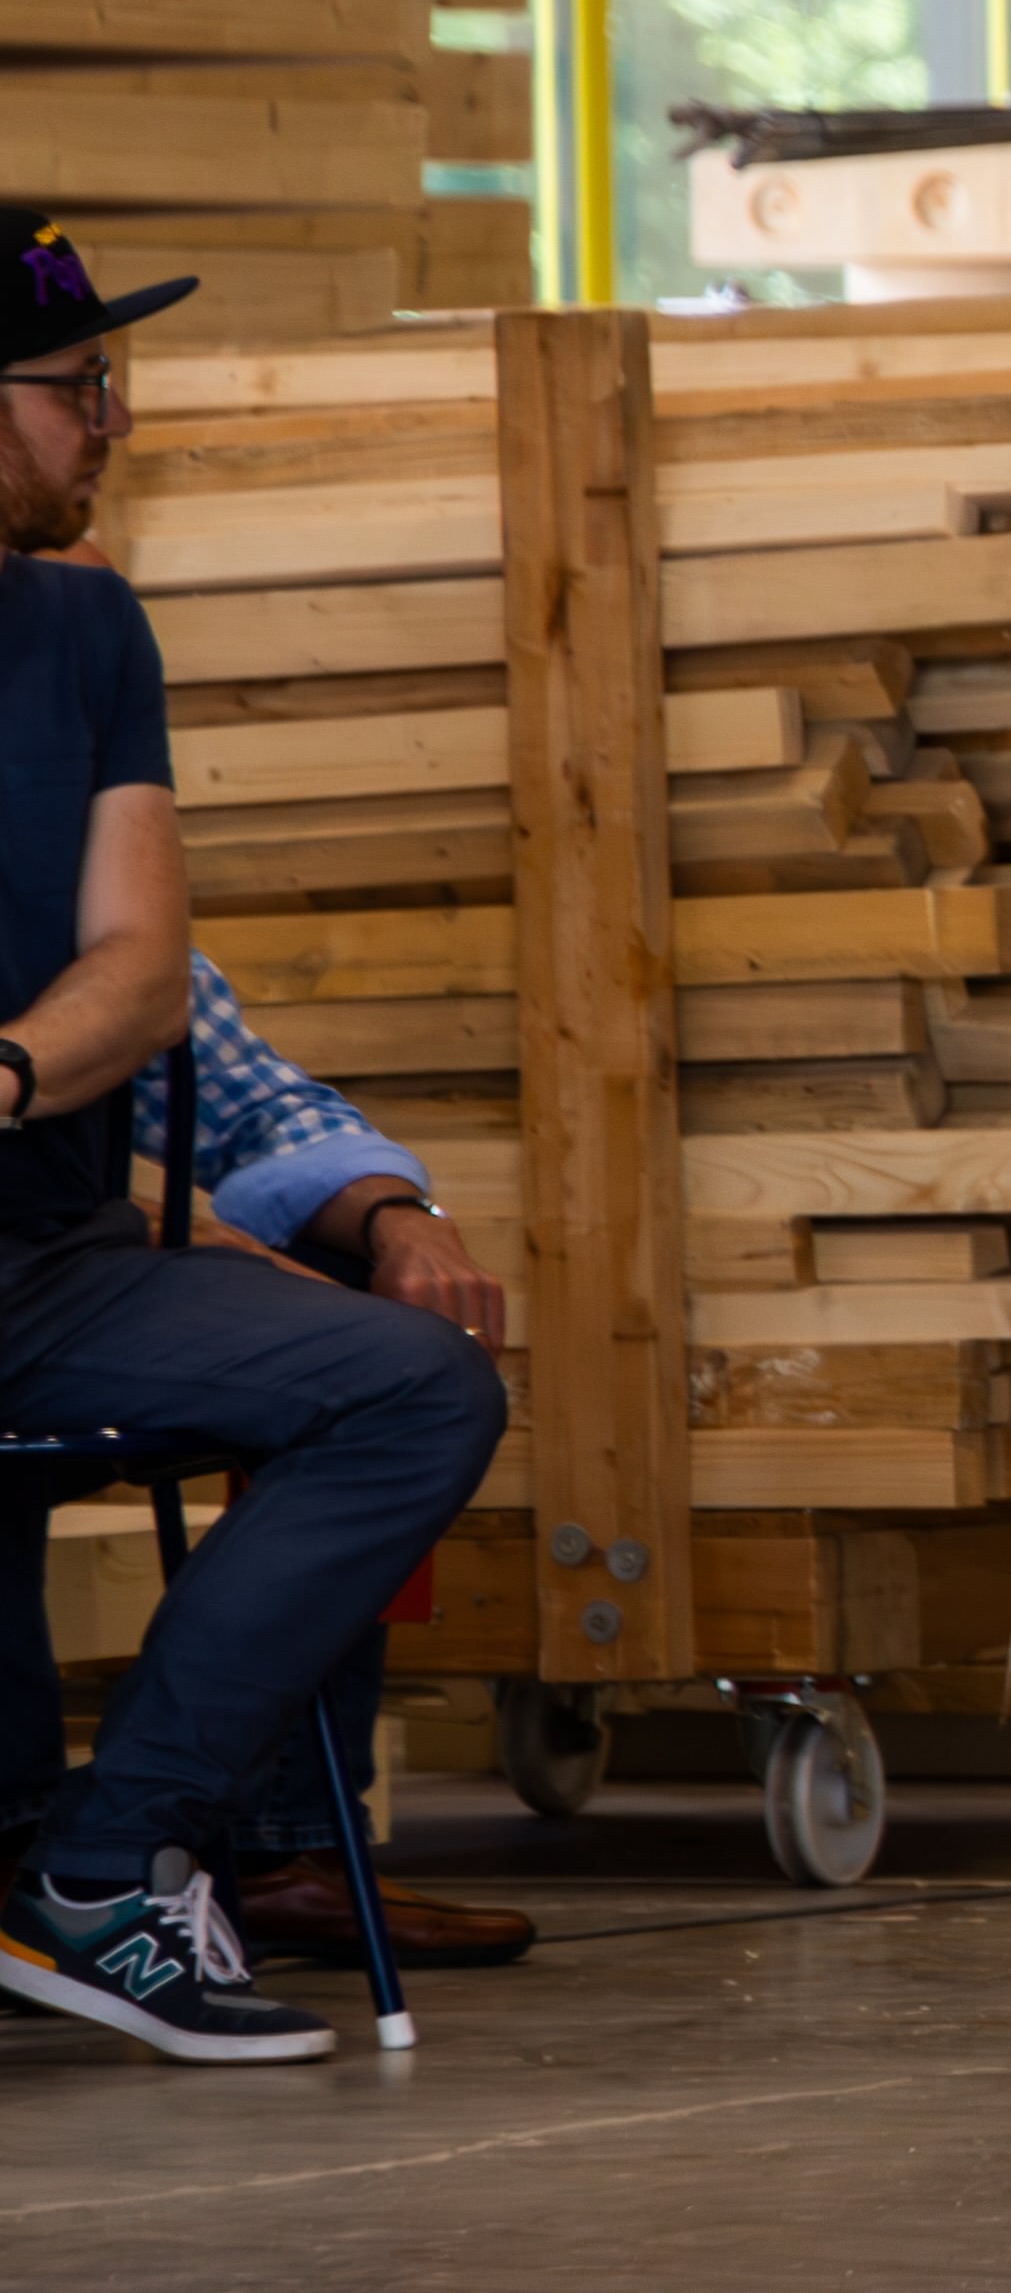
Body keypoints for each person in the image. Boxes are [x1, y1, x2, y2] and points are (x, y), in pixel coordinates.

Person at [0, 214, 500, 2064]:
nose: (114, 416)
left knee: (405, 1377)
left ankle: (110, 1861)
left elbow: (156, 992)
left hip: (46, 1255)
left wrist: (374, 1207)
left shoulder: (84, 630)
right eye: (79, 384)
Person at [0, 959, 539, 1972]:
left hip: (62, 1282)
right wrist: (168, 1227)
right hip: (43, 1278)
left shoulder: (89, 899)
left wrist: (399, 1219)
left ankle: (271, 1845)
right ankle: (29, 1841)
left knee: (369, 1337)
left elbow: (254, 1106)